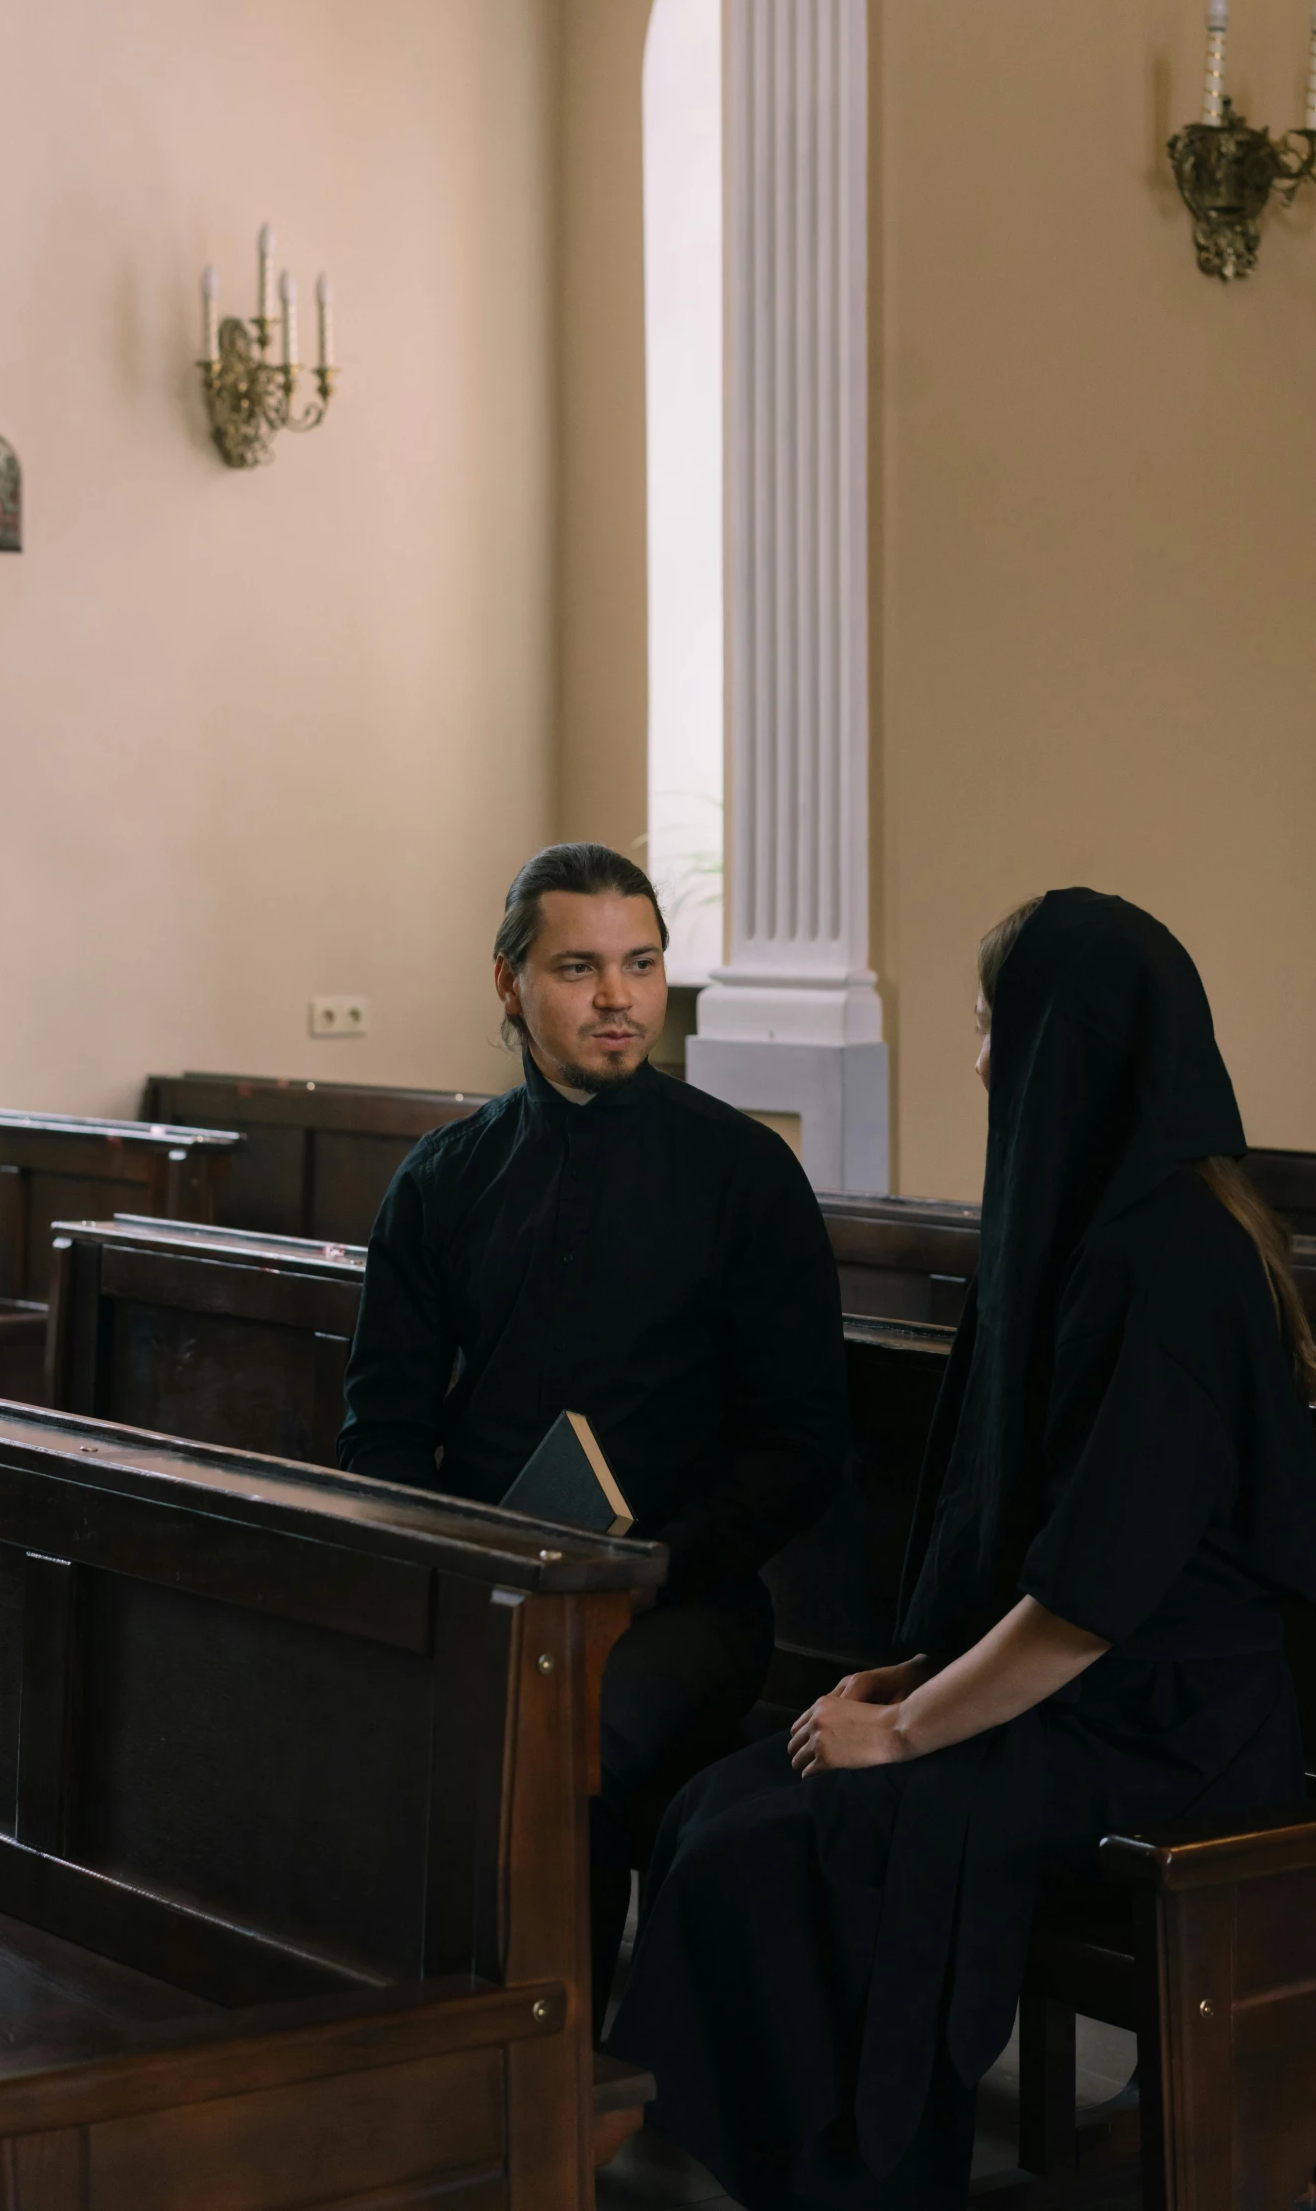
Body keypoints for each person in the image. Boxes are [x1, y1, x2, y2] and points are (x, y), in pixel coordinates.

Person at [610, 886, 1316, 2210]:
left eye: (984, 1025)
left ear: (1061, 1038)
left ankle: (847, 2185)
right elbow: (1045, 1563)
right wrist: (898, 1681)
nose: (975, 1057)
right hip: (1078, 1700)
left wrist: (902, 1731)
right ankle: (744, 2169)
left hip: (1166, 1736)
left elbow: (1090, 1598)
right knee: (717, 1804)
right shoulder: (1089, 1230)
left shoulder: (1171, 1258)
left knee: (776, 1851)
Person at [339, 840, 849, 2026]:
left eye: (642, 963)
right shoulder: (443, 1178)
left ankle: (551, 2073)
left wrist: (659, 1564)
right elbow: (383, 1425)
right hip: (480, 1589)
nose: (618, 996)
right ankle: (406, 2054)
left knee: (561, 1745)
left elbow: (801, 1441)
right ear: (509, 983)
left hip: (681, 1603)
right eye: (580, 966)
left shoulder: (743, 1173)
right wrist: (445, 1564)